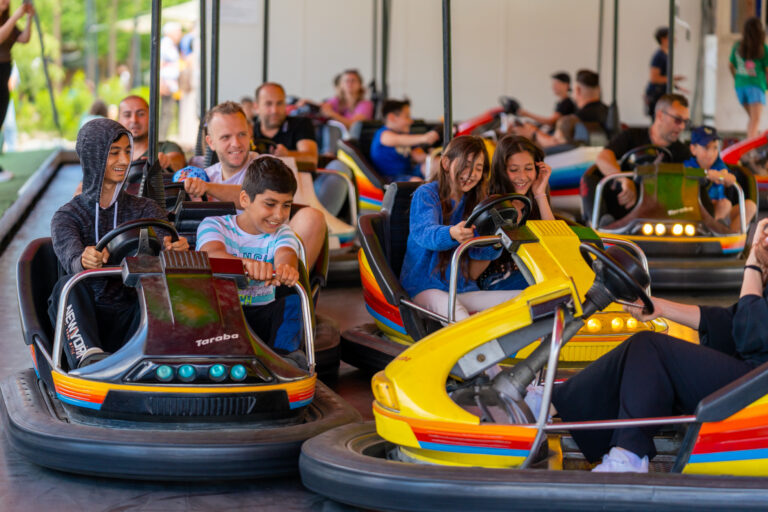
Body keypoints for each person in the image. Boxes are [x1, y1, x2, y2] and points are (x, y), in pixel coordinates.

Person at [541, 217, 768, 472]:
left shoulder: (756, 273)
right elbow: (730, 321)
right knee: (639, 346)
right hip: (755, 378)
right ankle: (549, 403)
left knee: (652, 348)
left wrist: (753, 267)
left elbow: (753, 334)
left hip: (759, 391)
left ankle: (629, 456)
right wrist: (660, 307)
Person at [48, 119, 189, 369]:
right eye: (114, 153)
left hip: (133, 311)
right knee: (66, 286)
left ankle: (160, 356)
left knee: (162, 287)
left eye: (127, 151)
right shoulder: (67, 216)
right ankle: (88, 358)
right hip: (87, 316)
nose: (125, 161)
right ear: (93, 157)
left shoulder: (146, 208)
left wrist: (173, 249)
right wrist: (84, 259)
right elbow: (70, 254)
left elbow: (162, 241)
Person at [183, 101, 327, 269]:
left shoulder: (267, 165)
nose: (236, 143)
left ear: (250, 135)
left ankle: (288, 286)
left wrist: (208, 188)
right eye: (225, 137)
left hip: (269, 252)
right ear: (211, 142)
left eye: (242, 134)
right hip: (226, 258)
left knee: (313, 217)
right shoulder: (206, 176)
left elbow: (250, 193)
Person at [400, 135, 521, 321]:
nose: (471, 173)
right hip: (425, 288)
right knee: (460, 316)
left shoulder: (477, 204)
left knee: (521, 300)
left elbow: (478, 255)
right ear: (446, 163)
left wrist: (497, 240)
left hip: (460, 288)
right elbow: (424, 233)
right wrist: (451, 233)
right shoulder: (427, 195)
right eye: (466, 165)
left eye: (478, 168)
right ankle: (479, 350)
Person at [196, 157, 304, 361]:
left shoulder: (282, 233)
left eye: (286, 205)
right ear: (245, 199)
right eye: (270, 204)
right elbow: (211, 253)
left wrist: (285, 269)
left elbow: (286, 254)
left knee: (292, 301)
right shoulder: (214, 225)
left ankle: (284, 359)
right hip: (222, 317)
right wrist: (246, 265)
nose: (279, 215)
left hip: (262, 315)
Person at [587, 93, 691, 223]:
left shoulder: (683, 152)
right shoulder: (632, 136)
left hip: (659, 213)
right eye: (677, 120)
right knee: (590, 179)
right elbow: (603, 157)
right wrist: (623, 179)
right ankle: (600, 225)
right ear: (660, 115)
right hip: (621, 209)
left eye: (685, 122)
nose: (681, 127)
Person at [479, 135, 554, 291]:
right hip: (497, 279)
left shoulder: (533, 203)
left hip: (531, 273)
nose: (522, 177)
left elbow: (553, 241)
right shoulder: (491, 203)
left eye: (528, 168)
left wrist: (540, 194)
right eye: (514, 170)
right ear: (501, 171)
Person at [684, 125, 756, 232]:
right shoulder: (688, 165)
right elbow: (688, 174)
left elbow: (728, 176)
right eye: (706, 148)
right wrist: (707, 174)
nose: (711, 153)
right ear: (693, 149)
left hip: (720, 211)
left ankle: (731, 239)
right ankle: (715, 231)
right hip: (697, 211)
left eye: (715, 148)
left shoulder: (718, 164)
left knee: (750, 206)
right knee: (725, 204)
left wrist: (723, 176)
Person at [369, 99, 440, 182]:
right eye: (407, 117)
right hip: (390, 179)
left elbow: (418, 157)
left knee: (437, 163)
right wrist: (425, 138)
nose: (411, 121)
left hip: (409, 173)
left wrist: (433, 155)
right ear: (391, 118)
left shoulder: (407, 137)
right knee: (416, 182)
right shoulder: (383, 134)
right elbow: (398, 140)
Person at [0, 0, 32, 181]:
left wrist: (28, 17)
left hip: (4, 73)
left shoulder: (8, 21)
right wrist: (16, 16)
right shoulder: (8, 21)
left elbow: (24, 38)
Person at [252, 82, 318, 167]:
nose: (274, 110)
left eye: (279, 103)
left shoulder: (301, 124)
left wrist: (287, 154)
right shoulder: (248, 131)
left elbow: (312, 159)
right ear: (256, 107)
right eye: (268, 104)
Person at [118, 95, 186, 172]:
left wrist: (166, 160)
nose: (134, 120)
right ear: (118, 120)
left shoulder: (166, 147)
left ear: (151, 117)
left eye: (141, 114)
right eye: (127, 115)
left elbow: (177, 161)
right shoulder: (111, 153)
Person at [729, 17, 768, 139]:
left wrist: (737, 79)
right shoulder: (763, 48)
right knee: (755, 121)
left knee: (752, 121)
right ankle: (751, 151)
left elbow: (731, 65)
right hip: (756, 86)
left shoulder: (737, 47)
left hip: (740, 87)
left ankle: (753, 148)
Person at [644, 27, 687, 118]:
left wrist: (677, 85)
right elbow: (654, 78)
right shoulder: (659, 56)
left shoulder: (664, 55)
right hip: (656, 96)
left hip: (661, 95)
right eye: (671, 37)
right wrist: (673, 79)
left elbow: (664, 77)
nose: (675, 40)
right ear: (663, 39)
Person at [159, 22, 182, 141]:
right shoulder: (166, 45)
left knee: (168, 113)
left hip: (170, 84)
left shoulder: (170, 45)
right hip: (166, 84)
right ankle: (161, 139)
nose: (180, 34)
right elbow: (160, 64)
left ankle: (162, 138)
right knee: (166, 113)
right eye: (178, 31)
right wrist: (161, 83)